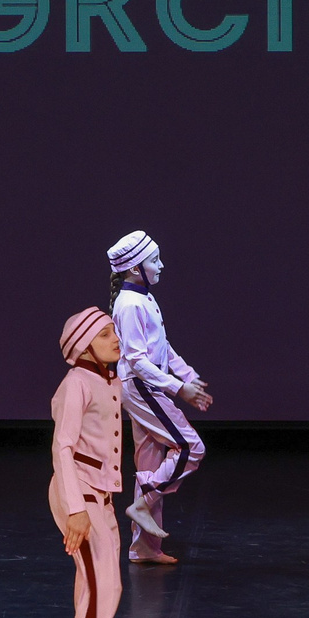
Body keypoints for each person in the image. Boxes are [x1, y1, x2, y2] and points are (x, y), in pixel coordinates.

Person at [109, 230, 211, 565]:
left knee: (150, 463)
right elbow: (137, 361)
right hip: (141, 387)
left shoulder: (143, 298)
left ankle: (144, 547)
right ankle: (143, 502)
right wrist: (178, 388)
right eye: (154, 260)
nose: (161, 265)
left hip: (145, 385)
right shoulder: (130, 304)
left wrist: (187, 375)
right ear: (134, 268)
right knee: (190, 448)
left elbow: (161, 346)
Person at [50, 307, 130, 618]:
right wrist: (75, 509)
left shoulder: (108, 379)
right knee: (104, 591)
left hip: (101, 497)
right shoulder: (76, 383)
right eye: (104, 334)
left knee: (94, 591)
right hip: (79, 495)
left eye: (113, 331)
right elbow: (62, 448)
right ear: (83, 347)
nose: (114, 338)